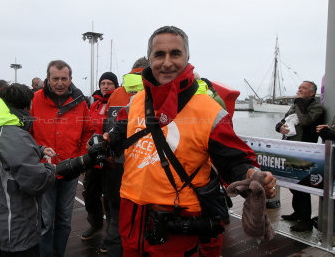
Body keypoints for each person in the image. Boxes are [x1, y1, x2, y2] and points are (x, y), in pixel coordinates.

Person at [104, 26, 277, 256]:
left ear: (187, 58)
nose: (167, 62)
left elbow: (234, 161)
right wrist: (107, 139)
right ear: (149, 60)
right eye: (159, 54)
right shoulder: (136, 101)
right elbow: (122, 130)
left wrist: (253, 176)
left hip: (177, 221)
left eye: (175, 53)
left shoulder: (209, 110)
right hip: (131, 215)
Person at [0, 83, 56, 257]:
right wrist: (51, 168)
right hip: (16, 226)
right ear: (27, 106)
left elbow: (5, 156)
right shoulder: (14, 135)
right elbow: (37, 181)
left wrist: (38, 150)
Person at [30, 60, 95, 257]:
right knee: (45, 221)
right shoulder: (34, 100)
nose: (59, 83)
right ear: (47, 79)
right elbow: (26, 132)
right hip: (44, 169)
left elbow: (88, 131)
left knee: (65, 219)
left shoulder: (80, 101)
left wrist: (81, 157)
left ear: (70, 79)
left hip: (70, 169)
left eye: (63, 79)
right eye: (55, 78)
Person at [100, 57, 148, 255]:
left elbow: (107, 126)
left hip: (115, 161)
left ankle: (111, 243)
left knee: (116, 209)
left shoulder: (117, 94)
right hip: (143, 164)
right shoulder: (154, 94)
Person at [276, 81, 324, 232]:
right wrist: (280, 128)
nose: (299, 90)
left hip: (305, 151)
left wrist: (298, 103)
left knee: (302, 186)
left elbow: (305, 121)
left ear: (312, 93)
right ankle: (298, 212)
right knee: (292, 184)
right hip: (290, 148)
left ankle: (305, 221)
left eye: (303, 88)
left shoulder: (317, 107)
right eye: (299, 88)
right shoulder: (295, 106)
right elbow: (282, 121)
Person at [81, 72, 118, 244]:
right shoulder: (94, 105)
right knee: (89, 194)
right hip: (93, 157)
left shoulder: (118, 105)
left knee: (110, 198)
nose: (105, 86)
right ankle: (95, 224)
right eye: (103, 82)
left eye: (109, 83)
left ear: (115, 86)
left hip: (110, 158)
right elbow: (88, 127)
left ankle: (110, 237)